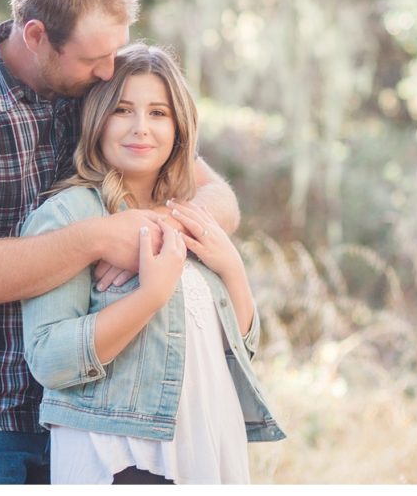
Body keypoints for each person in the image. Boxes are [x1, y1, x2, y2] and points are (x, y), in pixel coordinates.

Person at [0, 0, 241, 484]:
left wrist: (157, 231)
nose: (110, 70)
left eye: (115, 51)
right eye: (92, 58)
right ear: (36, 36)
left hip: (95, 412)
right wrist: (100, 238)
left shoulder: (94, 86)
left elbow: (216, 196)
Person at [20, 43, 285, 485]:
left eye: (159, 113)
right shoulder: (70, 215)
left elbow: (241, 346)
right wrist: (150, 297)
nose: (141, 128)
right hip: (122, 453)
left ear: (180, 128)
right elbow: (50, 358)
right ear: (98, 121)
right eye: (123, 110)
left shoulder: (189, 215)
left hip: (208, 440)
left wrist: (233, 269)